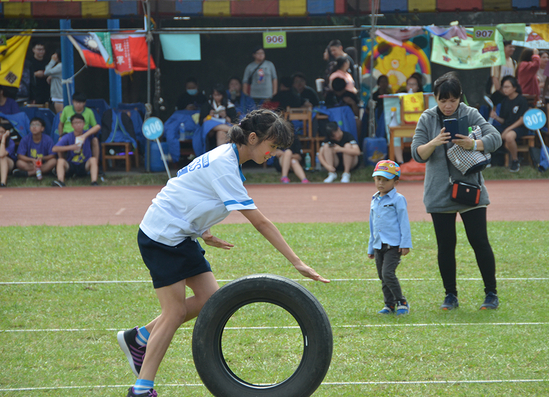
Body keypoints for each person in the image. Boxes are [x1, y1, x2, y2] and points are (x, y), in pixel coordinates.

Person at [116, 109, 329, 397]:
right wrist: (297, 262)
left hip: (181, 235)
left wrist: (203, 231)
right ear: (253, 138)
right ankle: (142, 389)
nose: (273, 152)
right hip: (161, 235)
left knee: (210, 300)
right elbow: (260, 222)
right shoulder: (225, 164)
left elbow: (192, 189)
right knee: (175, 311)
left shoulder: (227, 157)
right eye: (272, 146)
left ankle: (138, 337)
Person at [410, 72, 502, 311]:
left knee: (479, 241)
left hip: (471, 190)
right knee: (446, 245)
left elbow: (496, 138)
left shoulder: (470, 113)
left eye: (452, 100)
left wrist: (473, 144)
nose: (448, 106)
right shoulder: (427, 118)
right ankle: (450, 295)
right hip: (439, 192)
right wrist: (435, 142)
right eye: (443, 100)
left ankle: (491, 293)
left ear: (460, 97)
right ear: (435, 98)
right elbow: (416, 154)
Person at [367, 160, 412, 315]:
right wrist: (371, 246)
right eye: (378, 179)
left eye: (386, 180)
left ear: (396, 182)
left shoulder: (398, 199)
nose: (381, 183)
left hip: (393, 245)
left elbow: (404, 222)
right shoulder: (374, 199)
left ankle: (402, 302)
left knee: (388, 273)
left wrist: (405, 243)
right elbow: (373, 225)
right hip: (378, 245)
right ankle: (389, 305)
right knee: (382, 276)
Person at [490, 76, 529, 172]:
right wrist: (496, 117)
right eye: (503, 87)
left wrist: (508, 129)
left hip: (519, 127)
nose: (505, 89)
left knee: (509, 137)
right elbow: (504, 120)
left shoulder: (521, 100)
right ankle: (491, 160)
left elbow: (521, 120)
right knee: (489, 132)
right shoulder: (504, 101)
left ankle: (515, 160)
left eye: (507, 87)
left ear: (514, 88)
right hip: (506, 126)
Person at [52, 113, 99, 187]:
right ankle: (60, 181)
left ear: (84, 124)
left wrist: (84, 136)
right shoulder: (68, 136)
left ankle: (94, 182)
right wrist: (71, 147)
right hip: (71, 164)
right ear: (72, 125)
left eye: (80, 122)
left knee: (93, 159)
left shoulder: (87, 133)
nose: (78, 125)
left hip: (84, 164)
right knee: (60, 161)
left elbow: (97, 126)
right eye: (75, 123)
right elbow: (55, 148)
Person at [59, 92, 100, 161]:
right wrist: (61, 135)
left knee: (95, 140)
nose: (78, 105)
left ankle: (95, 163)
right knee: (60, 140)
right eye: (76, 102)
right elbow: (61, 124)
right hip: (68, 134)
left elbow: (95, 126)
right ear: (72, 102)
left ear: (84, 103)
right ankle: (62, 162)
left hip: (84, 134)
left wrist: (85, 135)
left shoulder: (89, 112)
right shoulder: (66, 109)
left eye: (80, 103)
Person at [489, 41, 517, 106]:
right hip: (498, 94)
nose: (512, 49)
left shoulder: (513, 62)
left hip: (509, 95)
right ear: (503, 47)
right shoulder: (497, 61)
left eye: (513, 47)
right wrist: (500, 91)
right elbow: (494, 77)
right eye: (510, 47)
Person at [0, 123, 16, 188]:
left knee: (2, 158)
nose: (0, 134)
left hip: (8, 163)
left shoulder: (11, 142)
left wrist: (3, 139)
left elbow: (1, 154)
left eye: (2, 132)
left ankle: (3, 183)